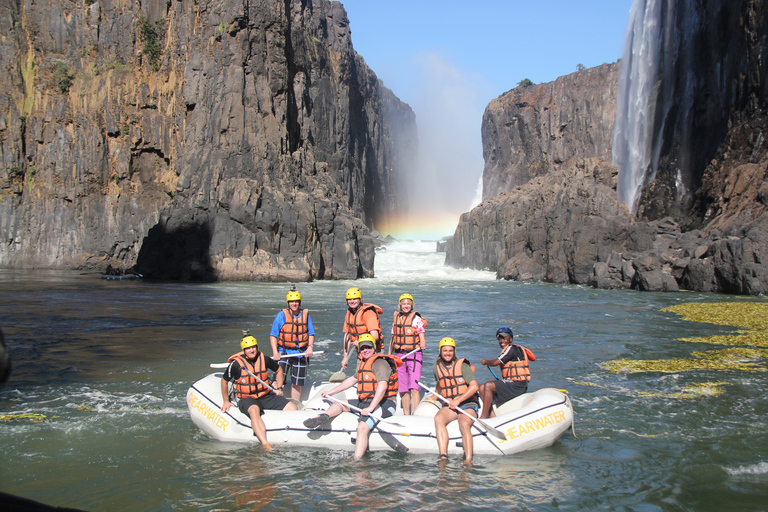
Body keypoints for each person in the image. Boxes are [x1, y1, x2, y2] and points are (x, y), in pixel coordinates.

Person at [303, 334, 400, 460]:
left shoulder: (380, 363)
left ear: (374, 348)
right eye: (362, 348)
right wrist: (332, 392)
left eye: (368, 347)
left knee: (362, 426)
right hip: (365, 401)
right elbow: (352, 380)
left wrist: (370, 408)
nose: (365, 350)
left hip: (385, 404)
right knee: (339, 403)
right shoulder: (364, 363)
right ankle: (324, 416)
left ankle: (357, 460)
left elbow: (382, 387)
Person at [220, 335, 297, 450]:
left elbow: (279, 370)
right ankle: (265, 443)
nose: (251, 350)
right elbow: (224, 381)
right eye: (248, 348)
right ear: (244, 350)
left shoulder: (264, 359)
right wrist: (226, 401)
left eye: (253, 347)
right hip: (247, 398)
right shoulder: (236, 365)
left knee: (293, 408)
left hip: (265, 395)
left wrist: (279, 388)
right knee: (254, 410)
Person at [433, 337, 480, 465]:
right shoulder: (437, 368)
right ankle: (443, 455)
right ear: (440, 352)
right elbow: (441, 383)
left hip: (468, 403)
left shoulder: (463, 366)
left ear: (454, 352)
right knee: (438, 419)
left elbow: (474, 386)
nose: (447, 353)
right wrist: (435, 396)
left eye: (450, 350)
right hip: (452, 404)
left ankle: (468, 460)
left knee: (464, 423)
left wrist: (458, 400)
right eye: (445, 350)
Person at [269, 287, 315, 400]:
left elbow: (311, 333)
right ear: (288, 303)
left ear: (299, 302)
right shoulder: (281, 315)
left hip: (300, 353)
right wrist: (275, 352)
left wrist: (310, 347)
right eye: (291, 302)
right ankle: (275, 400)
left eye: (296, 301)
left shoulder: (305, 315)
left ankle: (295, 404)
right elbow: (273, 335)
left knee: (297, 383)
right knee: (277, 380)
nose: (294, 304)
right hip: (284, 352)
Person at [479, 327, 535, 419]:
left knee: (488, 385)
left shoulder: (511, 348)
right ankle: (492, 416)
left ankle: (483, 417)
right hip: (512, 384)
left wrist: (486, 361)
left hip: (518, 385)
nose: (502, 340)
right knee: (481, 387)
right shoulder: (507, 350)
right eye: (499, 339)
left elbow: (496, 362)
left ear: (511, 339)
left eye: (504, 338)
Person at [388, 293, 427, 415]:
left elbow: (422, 336)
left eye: (408, 304)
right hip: (399, 355)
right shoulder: (396, 319)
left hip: (414, 355)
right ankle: (406, 414)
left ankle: (414, 414)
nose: (406, 306)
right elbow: (393, 338)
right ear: (400, 305)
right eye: (404, 304)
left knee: (413, 387)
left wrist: (423, 343)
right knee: (403, 388)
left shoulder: (416, 319)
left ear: (412, 305)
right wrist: (389, 355)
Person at [341, 287, 383, 368]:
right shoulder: (349, 314)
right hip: (361, 352)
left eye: (355, 299)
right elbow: (347, 336)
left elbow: (375, 336)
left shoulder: (367, 313)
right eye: (349, 299)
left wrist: (360, 342)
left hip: (374, 351)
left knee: (373, 377)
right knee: (360, 376)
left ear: (360, 299)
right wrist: (345, 357)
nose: (352, 301)